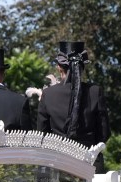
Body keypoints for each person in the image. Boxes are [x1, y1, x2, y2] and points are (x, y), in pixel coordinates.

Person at [37, 41, 111, 173]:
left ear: (59, 67)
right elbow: (104, 133)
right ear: (83, 67)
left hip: (58, 163)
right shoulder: (95, 91)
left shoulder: (48, 94)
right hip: (90, 163)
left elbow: (42, 133)